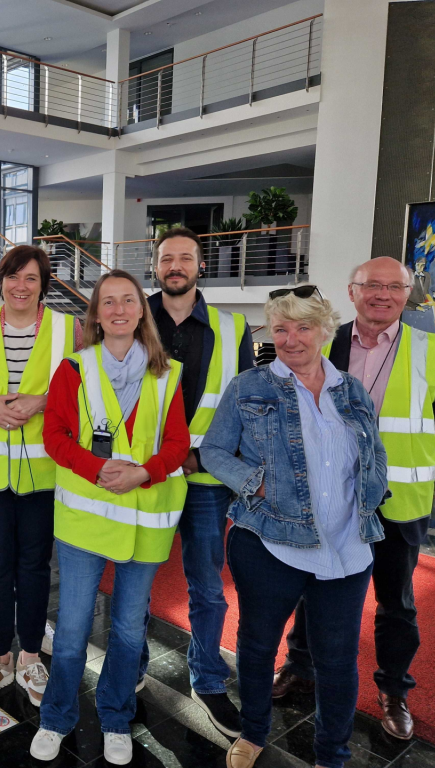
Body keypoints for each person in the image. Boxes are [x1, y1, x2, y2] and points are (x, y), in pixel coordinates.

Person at [201, 285, 389, 768]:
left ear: (325, 331)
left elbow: (374, 453)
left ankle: (332, 754)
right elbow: (214, 451)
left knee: (337, 660)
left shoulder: (351, 390)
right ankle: (254, 733)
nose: (291, 338)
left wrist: (371, 496)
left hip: (346, 545)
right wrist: (253, 482)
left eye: (303, 326)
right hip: (269, 543)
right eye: (280, 328)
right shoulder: (249, 386)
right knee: (258, 647)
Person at [273, 257, 435, 741]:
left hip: (398, 499)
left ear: (407, 294)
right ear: (351, 293)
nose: (382, 295)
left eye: (394, 287)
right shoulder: (322, 341)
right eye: (371, 285)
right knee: (315, 588)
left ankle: (394, 690)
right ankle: (300, 665)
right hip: (327, 495)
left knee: (395, 600)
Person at [30, 270, 190, 765]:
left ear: (142, 311)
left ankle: (116, 716)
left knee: (126, 630)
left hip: (143, 518)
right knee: (73, 629)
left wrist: (143, 474)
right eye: (109, 303)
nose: (119, 310)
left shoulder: (168, 374)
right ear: (95, 314)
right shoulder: (73, 369)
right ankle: (56, 718)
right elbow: (54, 438)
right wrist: (100, 467)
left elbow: (179, 445)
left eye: (128, 301)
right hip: (87, 520)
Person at [0, 244, 81, 707]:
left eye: (30, 278)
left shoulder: (69, 328)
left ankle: (28, 656)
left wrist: (41, 402)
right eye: (12, 277)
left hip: (46, 471)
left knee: (35, 565)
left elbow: (85, 389)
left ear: (44, 284)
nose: (20, 286)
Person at [145, 226, 254, 737]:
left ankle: (208, 677)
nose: (175, 266)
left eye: (185, 258)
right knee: (134, 579)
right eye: (167, 258)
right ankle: (130, 667)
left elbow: (245, 404)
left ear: (200, 266)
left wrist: (203, 454)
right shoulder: (130, 316)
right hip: (145, 476)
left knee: (207, 587)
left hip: (206, 479)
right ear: (156, 265)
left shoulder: (234, 328)